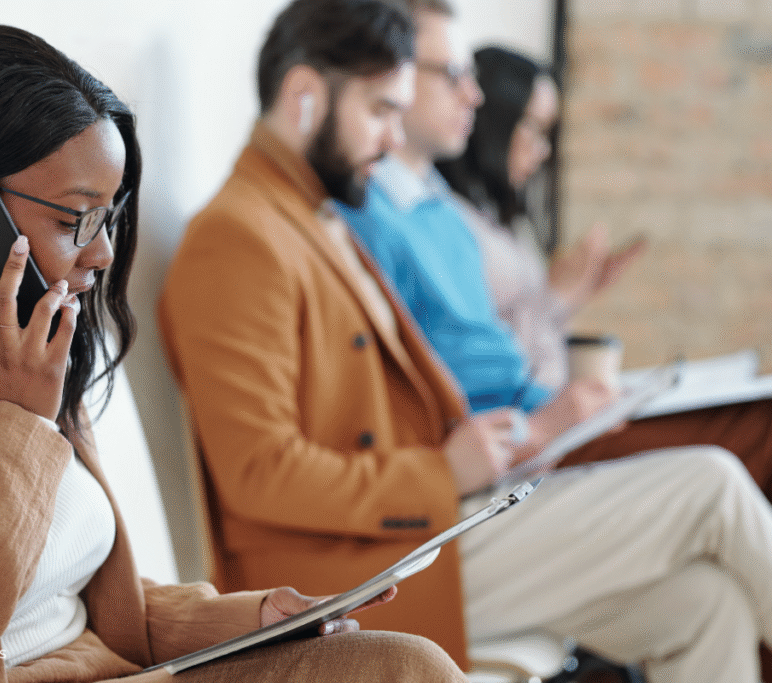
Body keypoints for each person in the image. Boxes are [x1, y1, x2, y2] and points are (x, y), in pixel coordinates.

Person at [0, 24, 467, 683]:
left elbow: (79, 599)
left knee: (404, 666)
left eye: (112, 217)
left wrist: (248, 618)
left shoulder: (27, 344)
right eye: (76, 219)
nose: (103, 253)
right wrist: (12, 428)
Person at [159, 1, 772, 680]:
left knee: (706, 604)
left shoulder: (305, 217)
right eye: (380, 112)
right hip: (352, 572)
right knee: (711, 481)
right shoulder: (239, 236)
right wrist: (444, 471)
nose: (391, 139)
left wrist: (493, 449)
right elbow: (259, 474)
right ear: (304, 95)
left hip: (418, 528)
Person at [339, 1, 772, 504]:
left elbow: (498, 359)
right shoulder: (367, 216)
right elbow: (437, 397)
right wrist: (547, 413)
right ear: (395, 78)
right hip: (514, 447)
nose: (472, 96)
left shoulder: (439, 213)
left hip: (541, 418)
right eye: (454, 75)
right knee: (752, 438)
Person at [436, 45, 646, 389]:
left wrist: (579, 288)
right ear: (494, 123)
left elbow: (535, 330)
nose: (542, 149)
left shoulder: (501, 221)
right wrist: (556, 294)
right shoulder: (450, 222)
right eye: (531, 127)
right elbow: (487, 357)